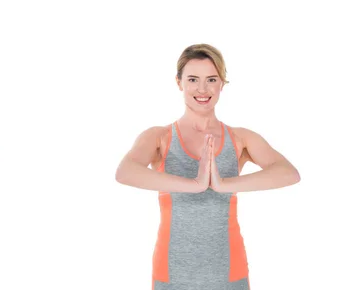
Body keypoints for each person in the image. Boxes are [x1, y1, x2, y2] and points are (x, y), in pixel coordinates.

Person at [115, 43, 300, 290]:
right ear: (179, 82)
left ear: (222, 83)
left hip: (229, 273)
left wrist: (223, 184)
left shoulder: (239, 138)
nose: (202, 89)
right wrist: (195, 184)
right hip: (173, 273)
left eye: (211, 79)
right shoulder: (158, 137)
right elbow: (125, 171)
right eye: (193, 79)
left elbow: (289, 173)